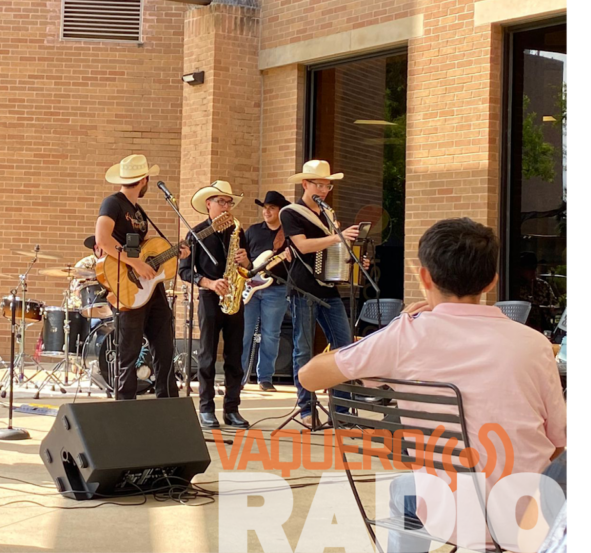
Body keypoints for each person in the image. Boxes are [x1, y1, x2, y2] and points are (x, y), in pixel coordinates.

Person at [300, 217, 568, 552]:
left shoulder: (404, 337)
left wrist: (394, 330)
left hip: (447, 515)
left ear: (424, 276)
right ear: (491, 282)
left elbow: (308, 376)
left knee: (403, 490)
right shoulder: (535, 345)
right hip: (527, 518)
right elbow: (558, 441)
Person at [94, 154, 188, 400]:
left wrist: (176, 252)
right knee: (129, 353)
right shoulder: (112, 203)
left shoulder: (138, 211)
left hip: (149, 287)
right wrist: (135, 263)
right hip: (126, 284)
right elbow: (102, 239)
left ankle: (168, 404)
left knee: (165, 346)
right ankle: (125, 407)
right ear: (145, 180)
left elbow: (148, 249)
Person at [280, 160, 362, 422]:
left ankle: (341, 411)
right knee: (303, 349)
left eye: (327, 184)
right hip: (303, 288)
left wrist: (354, 257)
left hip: (328, 288)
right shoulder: (291, 212)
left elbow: (332, 252)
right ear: (305, 184)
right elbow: (303, 246)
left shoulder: (329, 213)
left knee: (344, 346)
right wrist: (339, 237)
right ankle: (306, 409)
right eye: (319, 184)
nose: (324, 189)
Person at [179, 180, 251, 428]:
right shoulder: (196, 234)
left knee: (235, 357)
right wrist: (209, 283)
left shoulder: (238, 232)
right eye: (221, 201)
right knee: (207, 355)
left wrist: (245, 263)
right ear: (208, 204)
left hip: (234, 296)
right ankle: (206, 408)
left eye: (228, 202)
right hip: (210, 298)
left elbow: (249, 269)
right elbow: (185, 271)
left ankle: (232, 409)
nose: (226, 206)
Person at [241, 190, 292, 392]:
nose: (267, 212)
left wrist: (290, 257)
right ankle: (240, 376)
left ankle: (265, 378)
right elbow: (243, 258)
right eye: (265, 208)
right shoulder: (253, 231)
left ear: (280, 211)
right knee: (244, 333)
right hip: (249, 287)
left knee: (271, 334)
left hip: (276, 290)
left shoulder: (288, 235)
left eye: (271, 208)